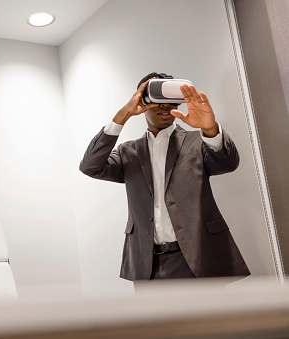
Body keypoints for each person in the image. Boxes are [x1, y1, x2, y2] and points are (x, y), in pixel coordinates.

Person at [79, 72, 250, 282]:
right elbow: (90, 167)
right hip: (147, 265)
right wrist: (123, 115)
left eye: (169, 99)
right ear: (142, 101)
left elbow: (227, 163)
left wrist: (210, 128)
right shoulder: (128, 152)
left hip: (197, 260)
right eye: (156, 98)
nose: (164, 106)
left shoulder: (198, 141)